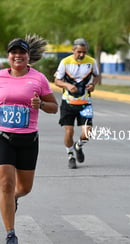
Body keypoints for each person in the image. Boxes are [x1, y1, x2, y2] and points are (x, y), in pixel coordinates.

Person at [0, 35, 58, 244]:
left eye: (22, 52)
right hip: (2, 137)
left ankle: (13, 200)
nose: (18, 56)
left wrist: (40, 104)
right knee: (5, 184)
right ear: (8, 56)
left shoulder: (38, 79)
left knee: (24, 188)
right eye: (14, 52)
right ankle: (10, 233)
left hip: (28, 140)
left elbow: (54, 107)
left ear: (28, 56)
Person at [54, 38, 100, 169]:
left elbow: (96, 76)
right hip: (68, 103)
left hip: (85, 103)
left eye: (84, 52)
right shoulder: (65, 62)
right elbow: (57, 81)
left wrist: (93, 85)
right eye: (79, 52)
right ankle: (70, 156)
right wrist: (67, 85)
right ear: (73, 50)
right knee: (69, 132)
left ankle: (78, 146)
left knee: (88, 132)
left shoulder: (91, 62)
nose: (81, 55)